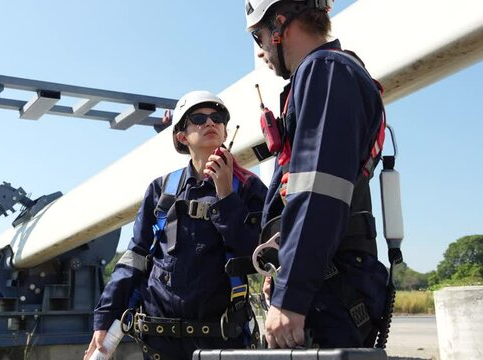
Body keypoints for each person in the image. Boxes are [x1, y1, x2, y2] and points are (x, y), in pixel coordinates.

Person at [244, 0, 389, 349]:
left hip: (331, 293)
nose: (262, 51)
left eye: (259, 36)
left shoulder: (324, 71)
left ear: (279, 25)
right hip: (326, 284)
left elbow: (318, 193)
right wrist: (282, 266)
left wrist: (291, 294)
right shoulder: (322, 76)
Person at [83, 90, 268, 360]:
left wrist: (226, 197)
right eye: (198, 118)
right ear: (182, 136)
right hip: (160, 343)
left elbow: (257, 255)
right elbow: (135, 257)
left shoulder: (248, 187)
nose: (210, 122)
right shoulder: (161, 191)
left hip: (221, 341)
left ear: (225, 132)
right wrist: (105, 316)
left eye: (217, 117)